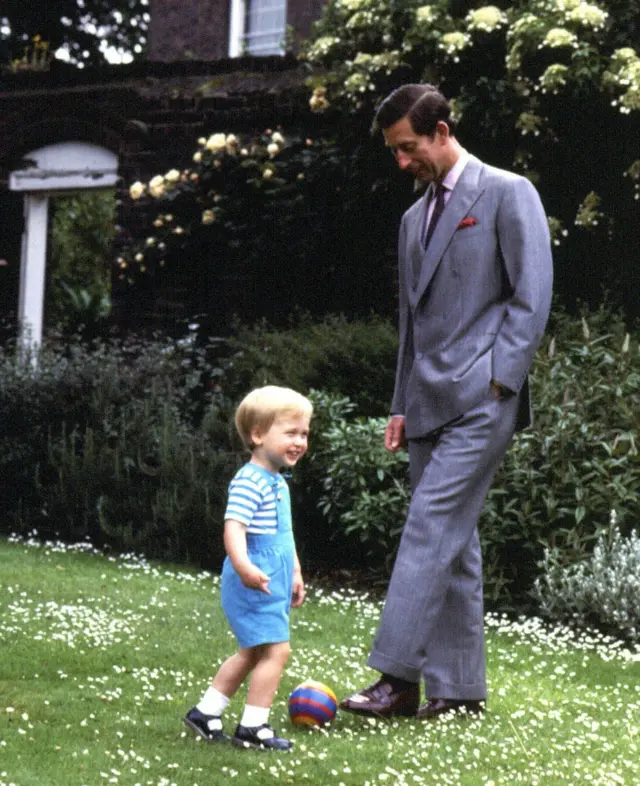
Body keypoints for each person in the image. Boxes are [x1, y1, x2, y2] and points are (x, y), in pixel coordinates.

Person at [340, 84, 553, 721]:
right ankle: (457, 692)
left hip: (484, 399)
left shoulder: (509, 192)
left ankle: (397, 679)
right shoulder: (413, 219)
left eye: (408, 148)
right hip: (426, 404)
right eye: (394, 152)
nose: (402, 161)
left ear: (441, 130)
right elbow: (412, 323)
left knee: (430, 526)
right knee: (454, 544)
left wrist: (501, 380)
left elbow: (532, 294)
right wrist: (401, 404)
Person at [184, 385, 312, 750]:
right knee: (276, 650)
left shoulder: (277, 482)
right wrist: (244, 568)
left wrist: (296, 573)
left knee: (252, 651)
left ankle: (206, 712)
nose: (300, 441)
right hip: (253, 579)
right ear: (257, 435)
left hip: (271, 578)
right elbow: (234, 529)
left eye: (304, 433)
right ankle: (253, 725)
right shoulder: (249, 481)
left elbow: (284, 536)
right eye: (290, 432)